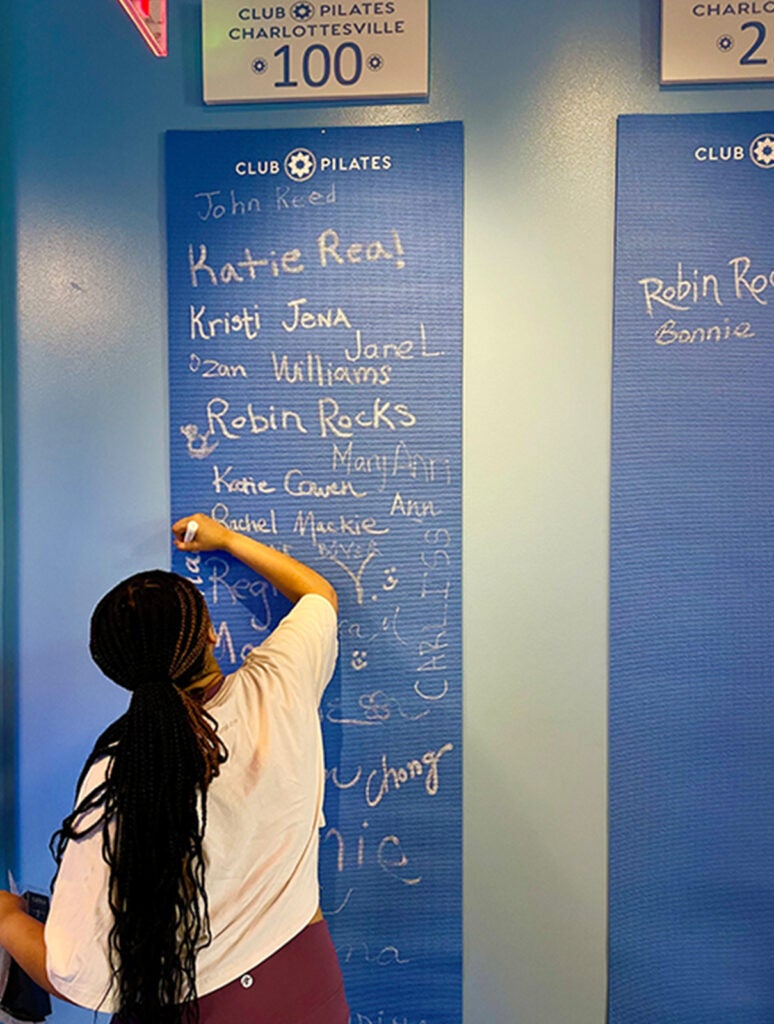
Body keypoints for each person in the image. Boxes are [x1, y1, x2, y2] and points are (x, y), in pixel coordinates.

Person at [0, 514, 348, 1024]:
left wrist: (8, 919)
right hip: (308, 985)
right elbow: (318, 596)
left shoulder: (117, 774)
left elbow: (77, 974)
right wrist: (226, 539)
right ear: (208, 631)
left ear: (116, 671)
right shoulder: (278, 686)